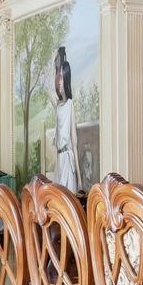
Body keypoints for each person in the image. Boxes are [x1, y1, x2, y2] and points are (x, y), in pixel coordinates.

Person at [50, 46, 79, 190]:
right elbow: (47, 87)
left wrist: (79, 179)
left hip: (68, 160)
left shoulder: (69, 104)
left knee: (68, 201)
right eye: (58, 78)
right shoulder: (58, 105)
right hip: (59, 161)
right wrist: (53, 58)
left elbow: (74, 142)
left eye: (62, 78)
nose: (59, 82)